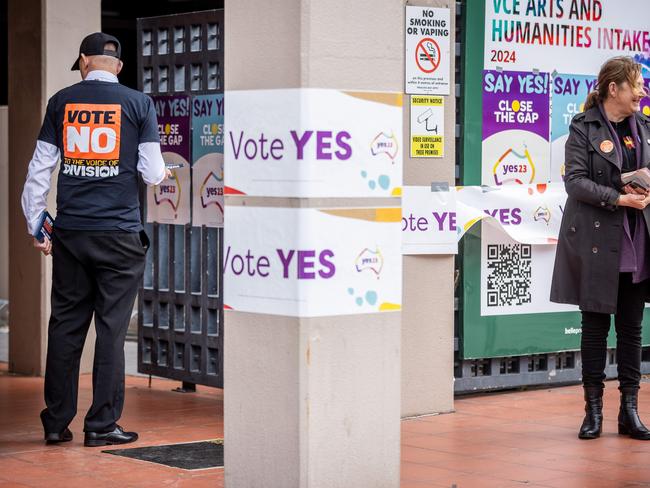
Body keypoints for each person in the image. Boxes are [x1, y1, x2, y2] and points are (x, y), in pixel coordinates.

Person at [21, 32, 170, 447]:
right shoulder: (139, 104)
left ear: (84, 60)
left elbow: (39, 172)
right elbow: (152, 171)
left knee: (66, 325)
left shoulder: (61, 101)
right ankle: (102, 425)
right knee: (111, 328)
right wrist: (161, 176)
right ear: (117, 66)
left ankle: (55, 422)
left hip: (71, 233)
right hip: (120, 235)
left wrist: (39, 226)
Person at [551, 56, 650, 440]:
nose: (641, 91)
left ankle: (630, 412)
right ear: (615, 89)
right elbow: (574, 182)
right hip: (597, 241)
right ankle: (593, 412)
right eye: (636, 84)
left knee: (631, 330)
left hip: (637, 242)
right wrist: (618, 198)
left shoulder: (643, 127)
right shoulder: (583, 127)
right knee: (594, 329)